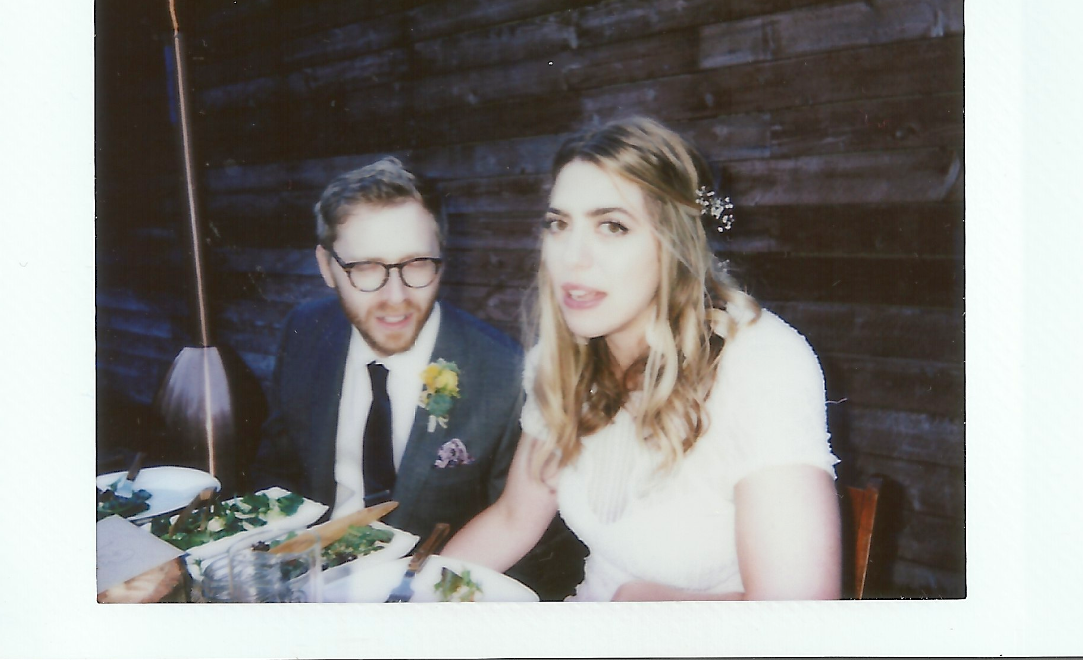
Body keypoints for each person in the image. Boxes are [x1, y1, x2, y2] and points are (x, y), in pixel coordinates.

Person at [442, 117, 842, 600]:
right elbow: (513, 520)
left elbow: (795, 618)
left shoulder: (762, 365)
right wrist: (407, 599)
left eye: (612, 226)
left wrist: (642, 604)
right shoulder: (563, 358)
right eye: (558, 224)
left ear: (676, 245)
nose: (572, 256)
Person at [250, 159, 584, 599]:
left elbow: (528, 544)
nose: (396, 298)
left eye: (417, 264)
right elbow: (278, 472)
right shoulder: (305, 334)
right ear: (327, 267)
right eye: (366, 268)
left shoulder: (503, 372)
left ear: (443, 261)